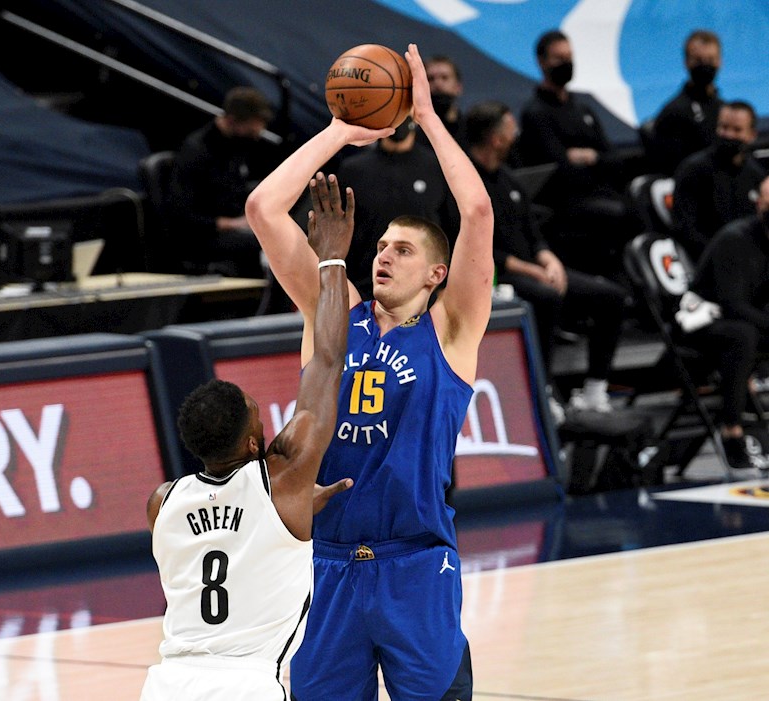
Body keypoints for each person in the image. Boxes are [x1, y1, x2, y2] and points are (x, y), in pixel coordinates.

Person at [246, 43, 492, 701]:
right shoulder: (334, 314)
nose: (383, 255)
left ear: (437, 273)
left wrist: (427, 119)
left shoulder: (451, 331)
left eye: (403, 250)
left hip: (417, 564)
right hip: (327, 565)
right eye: (380, 246)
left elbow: (477, 213)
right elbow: (264, 209)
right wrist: (338, 132)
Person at [140, 173, 358, 700]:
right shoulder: (283, 480)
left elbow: (222, 535)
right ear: (255, 445)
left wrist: (290, 513)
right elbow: (328, 361)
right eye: (260, 417)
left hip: (167, 683)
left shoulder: (162, 502)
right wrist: (331, 259)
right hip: (244, 684)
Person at [465, 100, 627, 414]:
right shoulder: (464, 184)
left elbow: (533, 232)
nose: (516, 136)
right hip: (496, 276)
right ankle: (544, 389)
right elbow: (476, 249)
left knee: (612, 297)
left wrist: (549, 260)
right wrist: (532, 270)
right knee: (546, 298)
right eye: (511, 131)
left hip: (531, 268)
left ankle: (594, 390)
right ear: (496, 139)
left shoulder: (509, 179)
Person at [517, 29, 638, 279]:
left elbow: (614, 160)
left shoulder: (583, 108)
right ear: (542, 62)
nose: (566, 64)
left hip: (600, 192)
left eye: (569, 57)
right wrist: (596, 162)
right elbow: (562, 171)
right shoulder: (536, 114)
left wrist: (591, 158)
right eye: (559, 58)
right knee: (622, 214)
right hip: (564, 203)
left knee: (640, 203)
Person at [684, 175, 769, 469]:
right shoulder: (735, 240)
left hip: (746, 321)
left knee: (747, 332)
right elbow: (732, 305)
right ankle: (731, 431)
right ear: (759, 205)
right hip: (701, 322)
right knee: (743, 335)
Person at [168, 86, 278, 278]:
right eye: (253, 126)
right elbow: (182, 214)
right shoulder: (196, 152)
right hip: (203, 236)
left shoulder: (237, 144)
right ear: (232, 120)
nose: (258, 132)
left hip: (234, 223)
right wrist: (232, 223)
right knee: (265, 243)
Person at [337, 116, 448, 297]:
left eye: (404, 111)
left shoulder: (436, 167)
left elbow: (451, 229)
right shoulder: (353, 170)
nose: (399, 120)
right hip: (363, 289)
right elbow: (338, 232)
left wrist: (444, 289)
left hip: (422, 292)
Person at [671, 100, 766, 262]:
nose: (728, 135)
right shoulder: (693, 170)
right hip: (708, 260)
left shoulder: (756, 175)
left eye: (737, 130)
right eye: (724, 127)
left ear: (752, 135)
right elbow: (685, 229)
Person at [648, 30, 724, 176]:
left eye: (710, 60)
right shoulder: (674, 112)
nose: (705, 65)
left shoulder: (724, 108)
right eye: (699, 60)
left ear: (720, 61)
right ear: (687, 63)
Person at [414, 54, 465, 149]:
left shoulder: (470, 131)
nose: (438, 83)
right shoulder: (412, 133)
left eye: (444, 77)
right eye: (431, 79)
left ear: (458, 87)